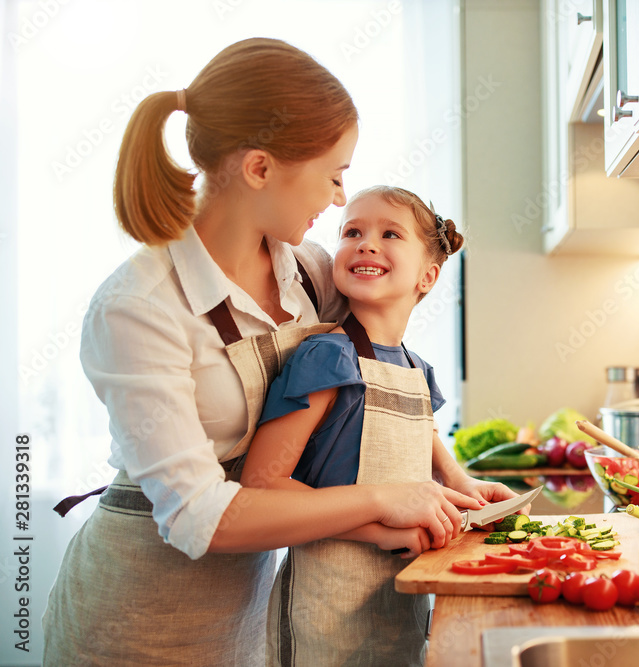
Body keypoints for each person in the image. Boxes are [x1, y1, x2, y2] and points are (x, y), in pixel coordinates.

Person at [41, 38, 488, 666]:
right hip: (138, 618)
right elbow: (200, 517)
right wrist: (383, 501)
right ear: (259, 168)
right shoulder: (138, 307)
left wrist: (448, 476)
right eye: (334, 176)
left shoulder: (309, 273)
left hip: (251, 609)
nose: (338, 200)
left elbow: (376, 378)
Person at [241, 186, 518, 667]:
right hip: (323, 605)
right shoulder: (326, 355)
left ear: (427, 276)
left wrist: (462, 482)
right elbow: (262, 486)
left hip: (398, 601)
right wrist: (376, 529)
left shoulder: (416, 369)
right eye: (352, 231)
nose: (366, 244)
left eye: (390, 233)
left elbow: (423, 437)